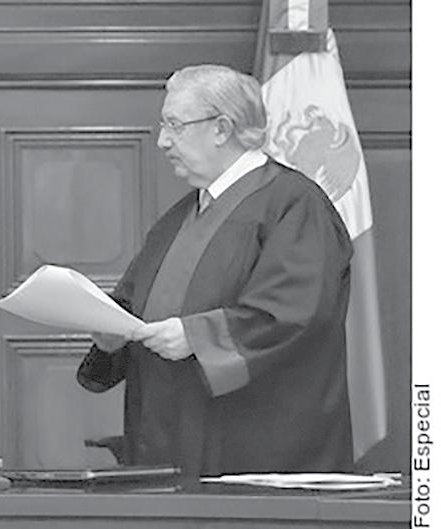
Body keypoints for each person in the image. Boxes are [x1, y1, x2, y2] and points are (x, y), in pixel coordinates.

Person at [76, 64, 354, 479]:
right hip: (166, 436)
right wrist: (111, 335)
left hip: (256, 448)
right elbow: (133, 306)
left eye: (175, 125)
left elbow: (296, 314)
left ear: (222, 128)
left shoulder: (295, 204)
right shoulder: (180, 216)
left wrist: (196, 336)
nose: (162, 141)